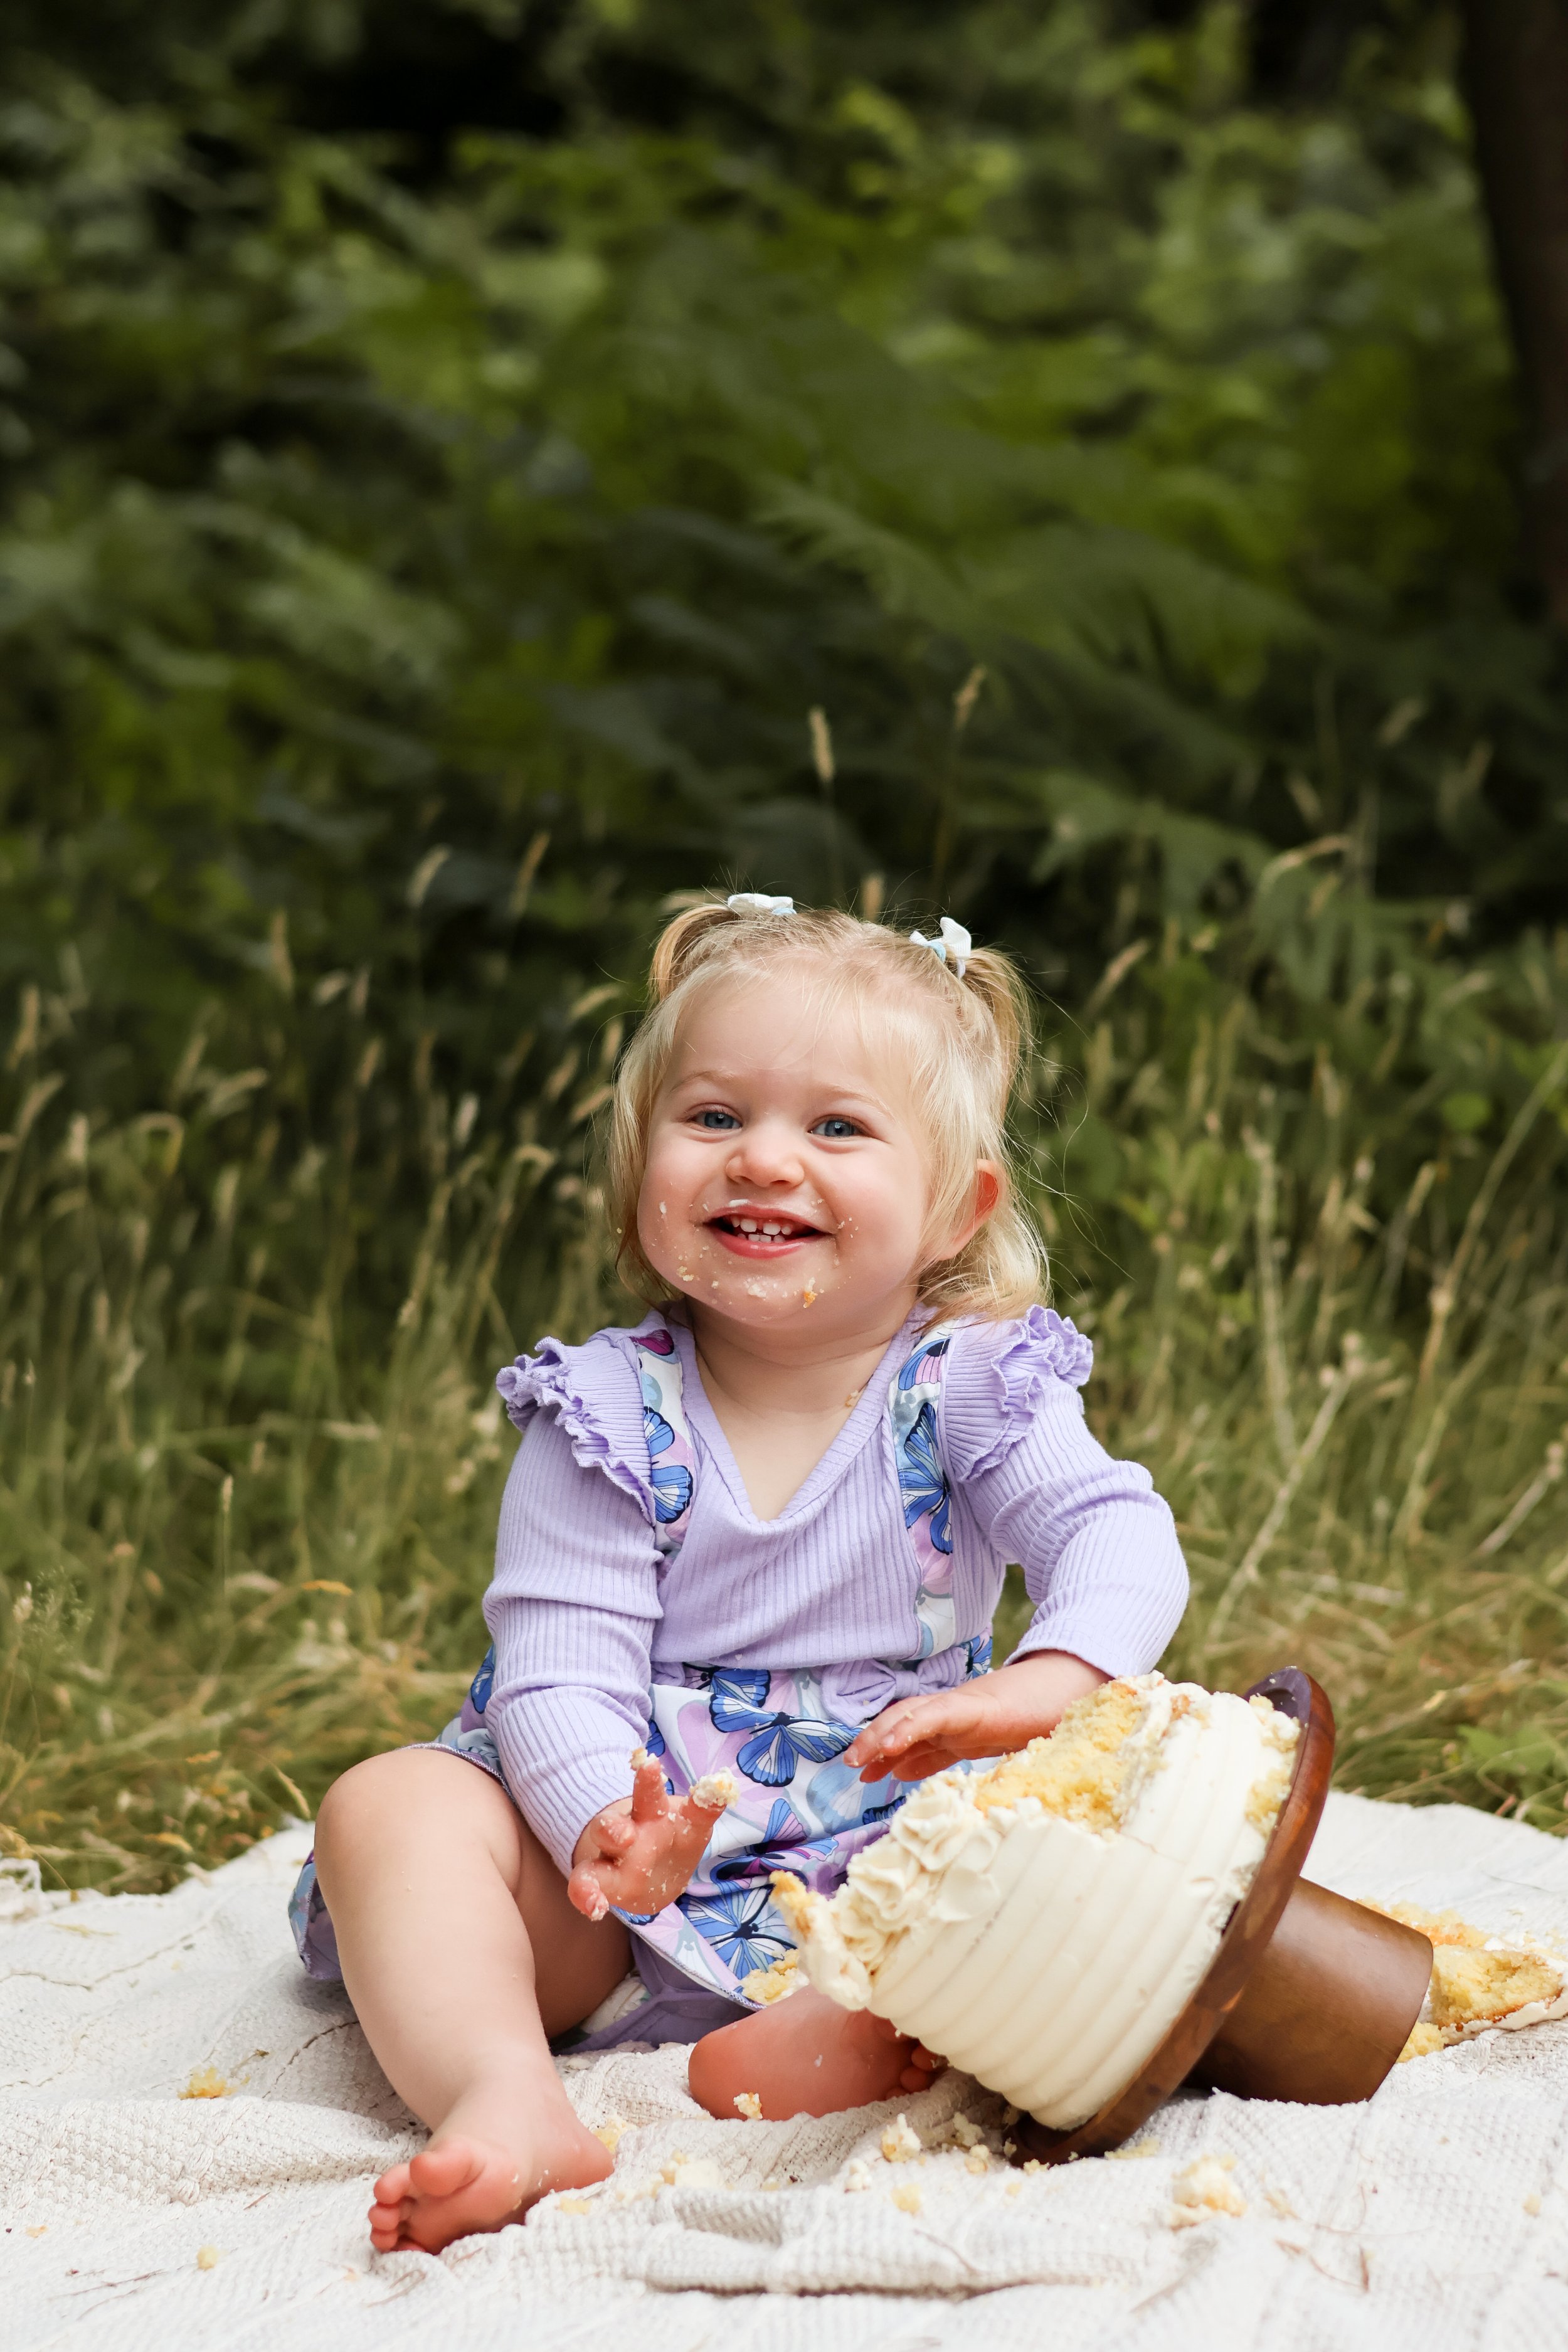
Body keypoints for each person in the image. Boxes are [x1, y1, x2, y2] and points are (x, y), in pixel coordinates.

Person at [289, 894, 1187, 2252]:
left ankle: (836, 2032)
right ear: (638, 1162)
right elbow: (555, 1663)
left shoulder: (973, 1385)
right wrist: (603, 1820)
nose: (764, 1160)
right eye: (712, 1119)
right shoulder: (602, 1411)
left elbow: (1116, 1536)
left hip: (891, 1846)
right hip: (617, 1869)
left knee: (1110, 1820)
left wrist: (1047, 1681)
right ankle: (506, 2093)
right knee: (388, 1809)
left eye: (835, 1127)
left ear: (956, 1203)